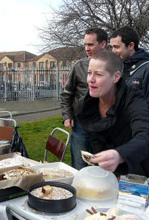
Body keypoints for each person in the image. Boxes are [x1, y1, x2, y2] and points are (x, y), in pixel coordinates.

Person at [76, 51, 149, 191]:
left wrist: (120, 154)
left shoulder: (133, 99)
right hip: (110, 177)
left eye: (98, 74)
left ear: (116, 77)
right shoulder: (85, 106)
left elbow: (147, 135)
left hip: (143, 172)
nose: (90, 79)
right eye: (89, 73)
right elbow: (95, 141)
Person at [60, 28, 108, 170]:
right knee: (79, 167)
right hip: (81, 125)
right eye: (85, 45)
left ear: (103, 44)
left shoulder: (114, 66)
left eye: (91, 45)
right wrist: (67, 115)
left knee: (103, 167)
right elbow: (66, 93)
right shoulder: (79, 66)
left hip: (105, 125)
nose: (87, 48)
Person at [110, 26, 149, 127]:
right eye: (112, 47)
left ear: (131, 45)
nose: (113, 51)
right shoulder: (117, 69)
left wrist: (141, 135)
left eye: (117, 47)